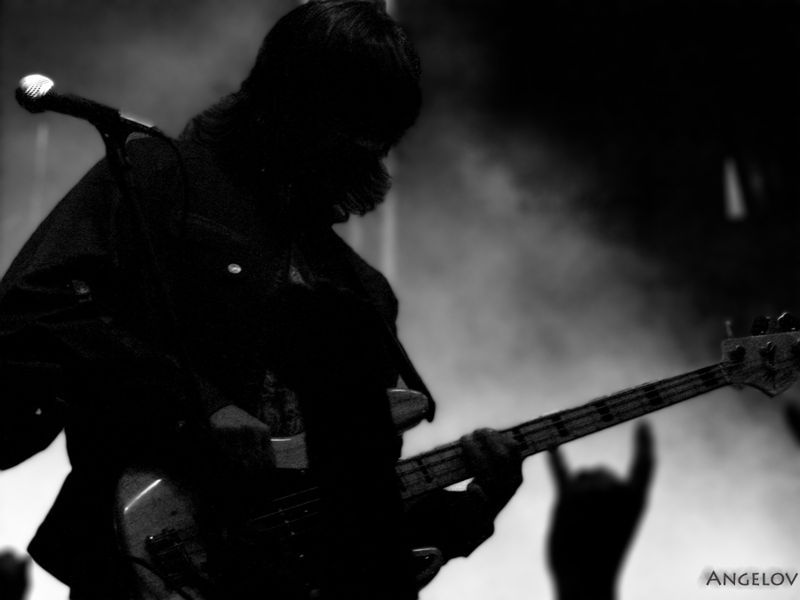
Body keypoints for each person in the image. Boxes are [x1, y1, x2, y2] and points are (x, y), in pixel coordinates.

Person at [0, 1, 522, 599]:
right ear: (286, 103)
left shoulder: (363, 291)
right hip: (141, 565)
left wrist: (475, 508)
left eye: (378, 134)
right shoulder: (161, 178)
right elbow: (34, 311)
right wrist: (198, 406)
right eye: (346, 123)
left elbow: (355, 518)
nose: (363, 148)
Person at [546, 423, 655, 600]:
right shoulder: (621, 506)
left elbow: (643, 468)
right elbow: (644, 468)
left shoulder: (618, 506)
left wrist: (553, 451)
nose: (588, 474)